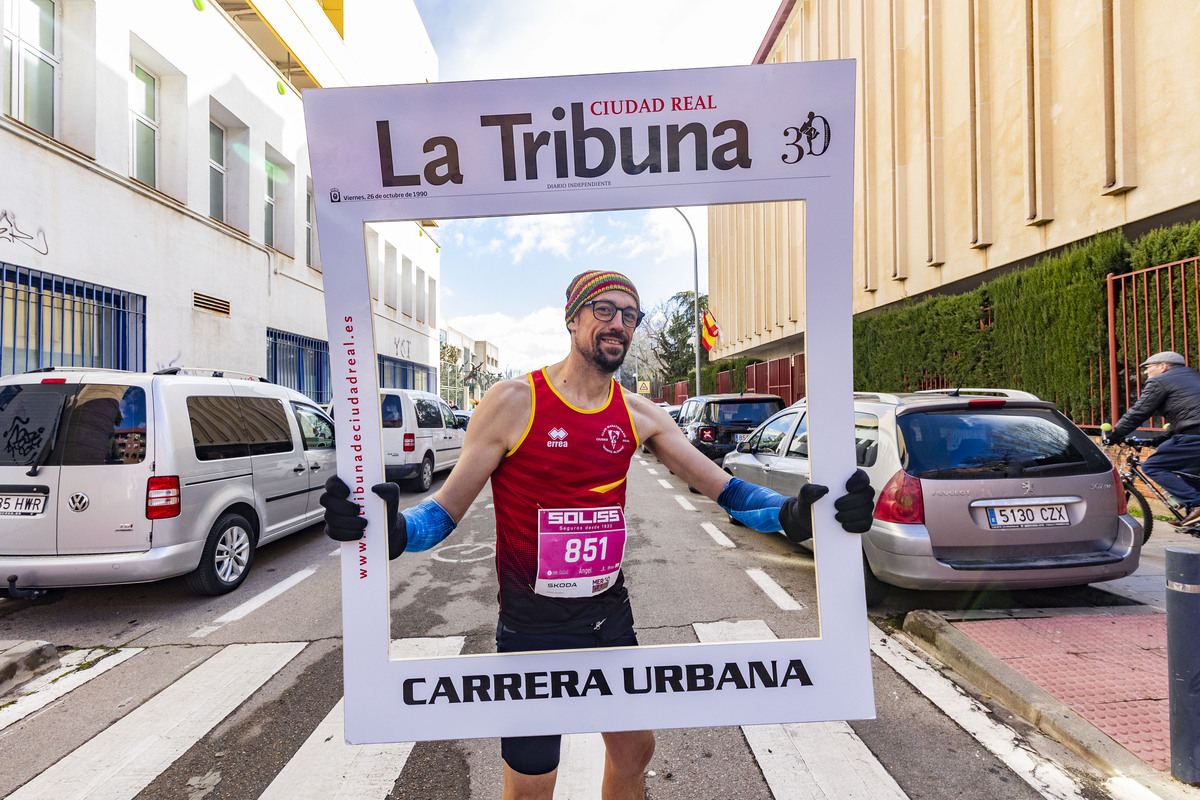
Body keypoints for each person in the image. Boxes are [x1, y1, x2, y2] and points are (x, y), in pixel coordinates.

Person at [321, 269, 876, 800]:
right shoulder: (514, 402)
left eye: (630, 316)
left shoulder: (639, 414)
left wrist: (793, 515)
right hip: (531, 628)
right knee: (534, 781)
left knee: (635, 750)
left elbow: (724, 488)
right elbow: (443, 512)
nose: (618, 324)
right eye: (604, 310)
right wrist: (393, 531)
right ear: (572, 318)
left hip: (609, 618)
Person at [1105, 350, 1200, 526]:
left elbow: (1139, 411)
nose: (1145, 372)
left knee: (1153, 466)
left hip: (1194, 436)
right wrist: (1159, 439)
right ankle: (1195, 521)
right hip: (1193, 433)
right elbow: (1187, 415)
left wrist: (1115, 434)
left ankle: (1197, 504)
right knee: (1190, 474)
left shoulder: (1159, 381)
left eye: (1148, 368)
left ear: (1163, 366)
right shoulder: (1193, 377)